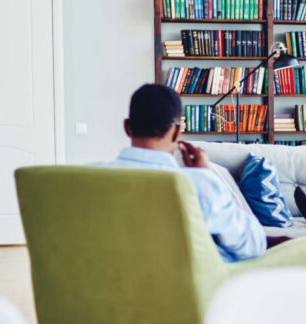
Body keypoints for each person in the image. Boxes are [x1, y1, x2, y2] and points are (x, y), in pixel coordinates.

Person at [96, 83, 267, 262]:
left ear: (127, 127)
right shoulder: (198, 184)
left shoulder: (90, 177)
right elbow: (254, 245)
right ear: (177, 130)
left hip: (111, 282)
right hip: (186, 286)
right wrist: (204, 175)